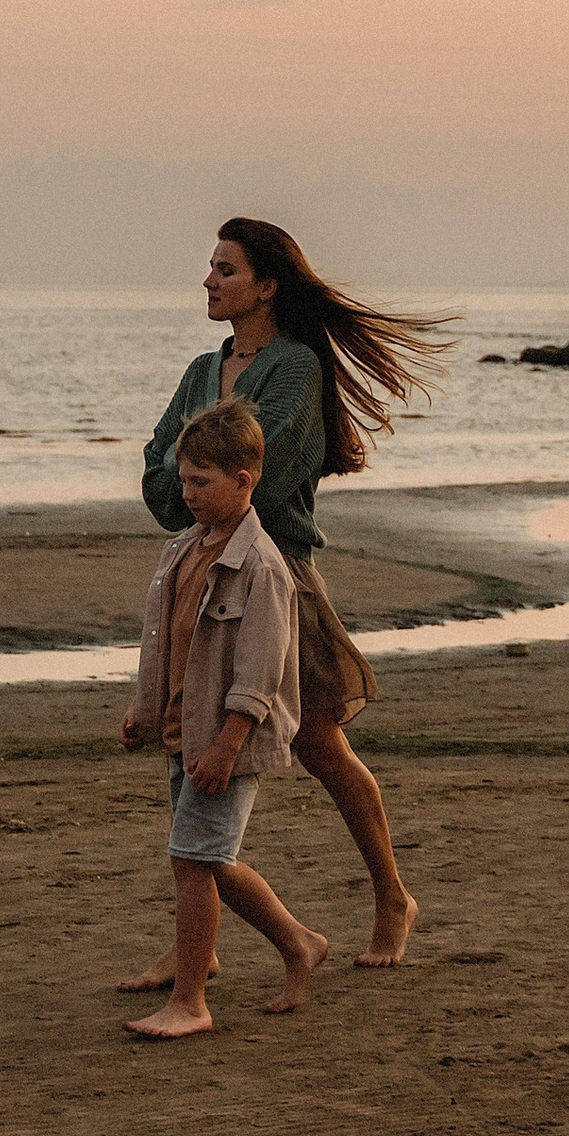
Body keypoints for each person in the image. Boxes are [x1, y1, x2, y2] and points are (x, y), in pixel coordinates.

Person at [141, 217, 450, 969]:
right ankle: (197, 948)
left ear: (267, 285)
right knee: (188, 735)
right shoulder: (198, 370)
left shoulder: (296, 368)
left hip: (278, 579)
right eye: (210, 267)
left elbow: (266, 480)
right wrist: (199, 491)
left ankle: (391, 896)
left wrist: (202, 485)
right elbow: (158, 474)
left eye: (226, 269)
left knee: (319, 742)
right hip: (201, 573)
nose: (209, 281)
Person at [118, 401, 328, 1039]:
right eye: (183, 480)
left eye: (202, 482)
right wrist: (144, 710)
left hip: (225, 742)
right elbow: (167, 640)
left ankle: (191, 1001)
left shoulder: (262, 566)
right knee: (207, 860)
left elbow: (262, 672)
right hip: (185, 733)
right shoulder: (183, 548)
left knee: (192, 860)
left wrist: (228, 745)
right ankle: (297, 943)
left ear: (245, 482)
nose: (188, 494)